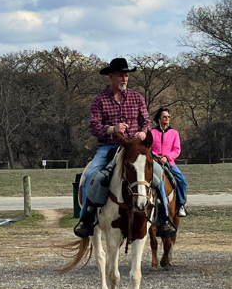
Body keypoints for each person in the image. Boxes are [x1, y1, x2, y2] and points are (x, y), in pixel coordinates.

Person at [73, 58, 176, 239]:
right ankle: (86, 219)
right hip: (109, 147)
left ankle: (164, 218)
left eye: (126, 75)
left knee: (159, 174)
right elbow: (94, 126)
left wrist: (144, 133)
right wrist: (112, 129)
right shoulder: (99, 100)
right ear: (111, 76)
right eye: (121, 75)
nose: (124, 78)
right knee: (91, 175)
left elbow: (145, 121)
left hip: (136, 147)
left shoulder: (137, 98)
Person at [151, 107, 188, 217]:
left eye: (168, 116)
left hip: (169, 162)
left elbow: (177, 150)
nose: (167, 118)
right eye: (164, 116)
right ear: (159, 118)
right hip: (154, 162)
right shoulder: (151, 132)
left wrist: (167, 157)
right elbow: (148, 147)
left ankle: (181, 204)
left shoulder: (174, 133)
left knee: (181, 179)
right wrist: (155, 156)